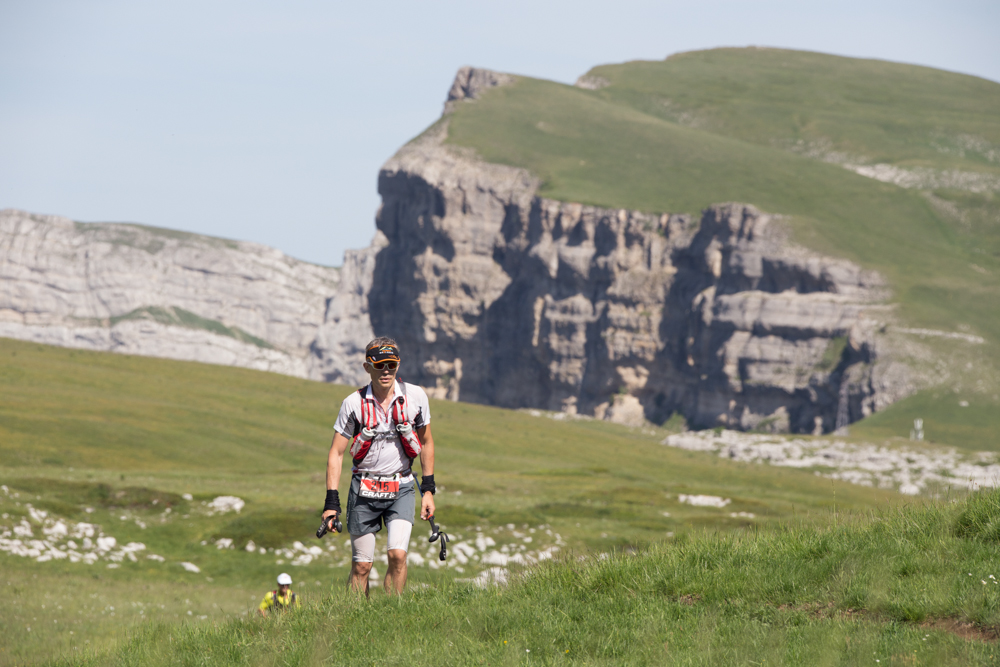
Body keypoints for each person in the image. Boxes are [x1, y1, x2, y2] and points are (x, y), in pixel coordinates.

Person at [321, 337, 436, 596]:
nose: (386, 371)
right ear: (367, 367)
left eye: (392, 365)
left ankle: (391, 613)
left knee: (397, 555)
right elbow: (336, 453)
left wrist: (428, 490)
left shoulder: (416, 396)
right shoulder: (353, 403)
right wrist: (331, 503)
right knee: (362, 565)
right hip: (364, 489)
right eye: (380, 365)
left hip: (402, 486)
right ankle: (355, 619)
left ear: (398, 365)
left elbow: (427, 442)